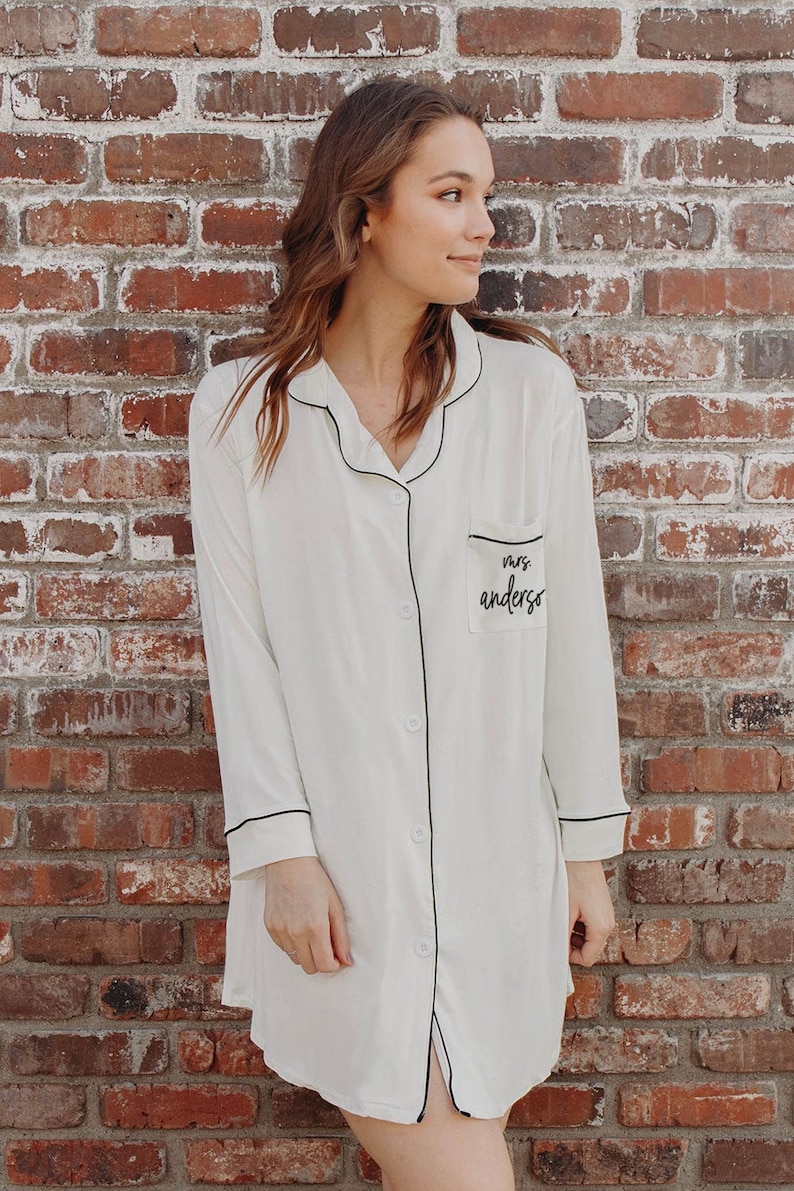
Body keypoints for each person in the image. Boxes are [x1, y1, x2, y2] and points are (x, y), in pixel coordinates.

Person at [188, 78, 631, 1191]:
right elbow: (239, 651)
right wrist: (282, 858)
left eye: (485, 194)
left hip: (498, 874)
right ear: (365, 209)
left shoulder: (529, 396)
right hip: (338, 887)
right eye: (451, 192)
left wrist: (584, 856)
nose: (484, 222)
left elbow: (567, 634)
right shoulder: (243, 411)